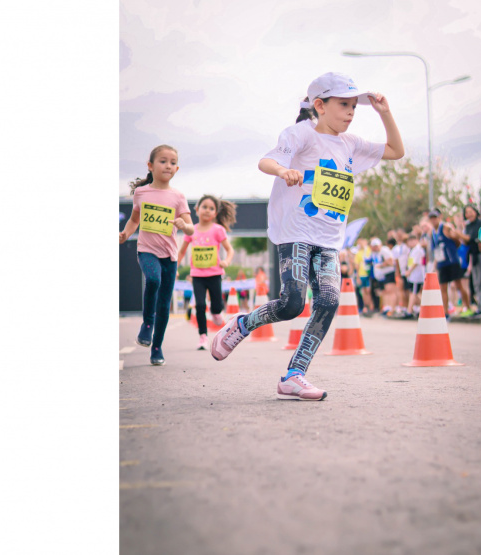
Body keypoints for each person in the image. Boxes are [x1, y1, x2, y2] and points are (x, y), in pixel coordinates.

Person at [210, 71, 404, 401]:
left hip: (329, 239)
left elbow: (395, 151)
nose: (350, 112)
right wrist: (283, 170)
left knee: (328, 301)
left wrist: (384, 112)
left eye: (354, 106)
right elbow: (266, 160)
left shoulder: (352, 144)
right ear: (320, 105)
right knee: (292, 303)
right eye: (344, 104)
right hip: (296, 232)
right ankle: (242, 325)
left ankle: (294, 375)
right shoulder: (301, 134)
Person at [119, 145, 195, 365]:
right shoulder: (141, 193)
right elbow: (135, 219)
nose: (168, 165)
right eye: (163, 161)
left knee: (164, 304)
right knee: (153, 279)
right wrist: (126, 233)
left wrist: (183, 225)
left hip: (169, 256)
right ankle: (147, 324)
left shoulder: (178, 196)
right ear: (150, 166)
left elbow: (191, 229)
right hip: (146, 250)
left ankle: (157, 348)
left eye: (172, 162)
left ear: (177, 168)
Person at [177, 194, 237, 350]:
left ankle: (217, 312)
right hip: (197, 276)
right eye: (204, 207)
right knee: (201, 305)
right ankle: (203, 336)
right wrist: (174, 267)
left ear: (215, 213)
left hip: (215, 274)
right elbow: (182, 251)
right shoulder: (192, 231)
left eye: (211, 208)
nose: (207, 211)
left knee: (216, 305)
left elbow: (230, 250)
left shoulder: (218, 230)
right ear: (196, 210)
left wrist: (226, 261)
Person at [427, 209, 468, 319]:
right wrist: (434, 266)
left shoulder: (446, 227)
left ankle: (468, 306)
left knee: (458, 285)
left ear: (439, 218)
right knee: (443, 287)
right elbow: (435, 250)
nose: (433, 220)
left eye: (435, 217)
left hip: (452, 261)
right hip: (441, 263)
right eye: (431, 218)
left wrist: (452, 250)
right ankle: (445, 312)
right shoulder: (432, 233)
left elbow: (457, 240)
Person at [459, 204, 481, 316]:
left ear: (475, 212)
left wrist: (458, 233)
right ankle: (480, 306)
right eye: (466, 212)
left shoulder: (480, 224)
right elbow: (466, 241)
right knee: (476, 282)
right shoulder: (468, 226)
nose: (469, 214)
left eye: (470, 211)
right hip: (473, 256)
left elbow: (470, 238)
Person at [406, 233, 426, 315]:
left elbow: (416, 262)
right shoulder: (413, 249)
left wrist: (409, 271)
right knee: (415, 293)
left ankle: (409, 310)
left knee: (413, 292)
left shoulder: (418, 249)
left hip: (416, 275)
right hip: (413, 275)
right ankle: (421, 307)